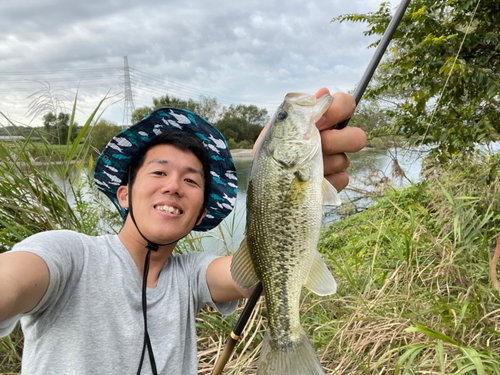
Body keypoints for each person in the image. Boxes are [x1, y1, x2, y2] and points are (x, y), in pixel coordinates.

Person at [0, 88, 365, 374]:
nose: (173, 186)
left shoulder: (189, 276)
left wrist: (268, 176)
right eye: (158, 172)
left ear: (201, 210)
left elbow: (255, 268)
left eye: (191, 180)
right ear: (124, 194)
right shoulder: (67, 254)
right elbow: (11, 282)